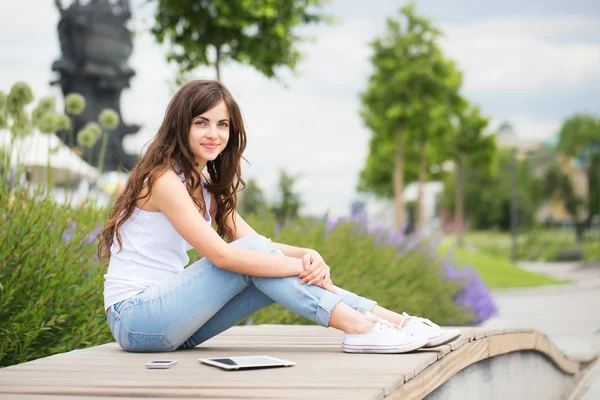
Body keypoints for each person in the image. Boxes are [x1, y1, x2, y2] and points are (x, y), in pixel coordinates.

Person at [98, 80, 461, 354]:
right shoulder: (163, 180)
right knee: (255, 262)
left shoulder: (205, 186)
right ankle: (360, 328)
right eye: (201, 123)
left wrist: (306, 255)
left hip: (178, 325)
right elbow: (224, 256)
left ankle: (393, 321)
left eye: (222, 124)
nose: (214, 134)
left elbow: (257, 244)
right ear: (181, 125)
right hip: (135, 320)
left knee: (262, 263)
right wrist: (296, 267)